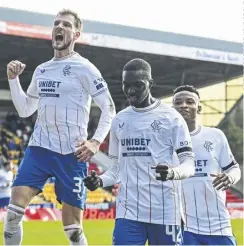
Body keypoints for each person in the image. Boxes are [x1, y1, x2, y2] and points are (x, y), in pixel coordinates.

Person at [4, 9, 115, 246]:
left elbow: (109, 107)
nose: (59, 27)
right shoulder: (42, 70)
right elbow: (25, 110)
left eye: (66, 24)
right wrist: (13, 81)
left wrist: (95, 142)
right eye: (56, 23)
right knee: (12, 215)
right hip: (40, 148)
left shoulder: (85, 68)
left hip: (72, 154)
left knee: (73, 230)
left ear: (76, 34)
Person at [83, 58, 195, 245]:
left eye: (138, 85)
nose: (130, 90)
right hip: (128, 212)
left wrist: (172, 173)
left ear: (150, 84)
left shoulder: (172, 118)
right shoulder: (119, 120)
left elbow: (189, 164)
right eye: (126, 85)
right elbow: (117, 168)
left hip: (165, 212)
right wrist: (100, 180)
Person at [172, 85, 241, 245]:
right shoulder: (166, 141)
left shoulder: (215, 136)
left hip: (219, 226)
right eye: (178, 102)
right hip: (186, 229)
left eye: (190, 101)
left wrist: (230, 177)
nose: (184, 105)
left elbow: (234, 168)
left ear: (199, 107)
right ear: (172, 108)